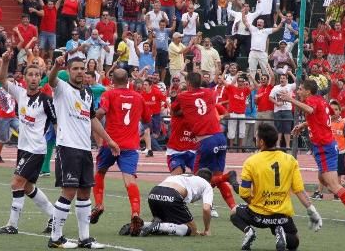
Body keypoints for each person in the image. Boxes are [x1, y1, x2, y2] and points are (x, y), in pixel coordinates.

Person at [47, 56, 119, 249]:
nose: (80, 72)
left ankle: (84, 238)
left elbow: (92, 119)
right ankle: (55, 238)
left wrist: (109, 140)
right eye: (76, 68)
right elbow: (51, 80)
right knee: (69, 191)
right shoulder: (62, 88)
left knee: (85, 193)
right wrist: (56, 65)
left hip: (85, 149)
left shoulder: (87, 93)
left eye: (83, 69)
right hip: (67, 147)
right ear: (69, 71)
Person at [278, 79, 345, 224]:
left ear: (308, 91)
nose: (298, 91)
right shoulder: (322, 101)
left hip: (324, 147)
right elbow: (328, 115)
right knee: (322, 179)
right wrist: (304, 124)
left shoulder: (312, 100)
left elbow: (310, 110)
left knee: (332, 185)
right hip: (326, 146)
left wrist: (290, 99)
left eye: (300, 89)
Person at [231, 123, 323, 251]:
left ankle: (249, 231)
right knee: (294, 242)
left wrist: (254, 203)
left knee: (235, 212)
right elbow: (299, 190)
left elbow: (244, 193)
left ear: (261, 142)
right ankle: (282, 233)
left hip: (258, 215)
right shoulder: (290, 160)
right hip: (281, 216)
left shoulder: (251, 162)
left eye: (256, 137)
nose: (255, 139)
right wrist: (312, 210)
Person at [0, 51, 56, 235]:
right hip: (23, 148)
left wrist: (60, 145)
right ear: (25, 78)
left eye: (37, 75)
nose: (34, 78)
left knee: (16, 183)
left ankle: (12, 225)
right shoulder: (19, 93)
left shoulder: (46, 101)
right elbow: (1, 80)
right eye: (30, 74)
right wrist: (5, 62)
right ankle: (54, 216)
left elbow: (56, 123)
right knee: (28, 186)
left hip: (36, 149)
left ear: (40, 78)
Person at [90, 68, 151, 236]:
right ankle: (136, 213)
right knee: (129, 179)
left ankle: (99, 204)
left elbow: (101, 112)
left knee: (100, 172)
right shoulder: (138, 97)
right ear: (128, 80)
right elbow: (147, 119)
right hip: (130, 146)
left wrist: (89, 116)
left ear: (112, 80)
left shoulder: (109, 95)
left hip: (111, 143)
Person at [171, 72, 238, 216]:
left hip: (206, 140)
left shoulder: (183, 96)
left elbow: (174, 110)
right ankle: (234, 207)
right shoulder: (208, 92)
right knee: (217, 176)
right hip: (220, 137)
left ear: (188, 83)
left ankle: (227, 177)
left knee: (197, 179)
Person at [136, 168, 214, 237]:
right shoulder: (207, 185)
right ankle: (158, 226)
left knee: (168, 223)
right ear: (209, 180)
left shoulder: (184, 176)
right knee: (193, 230)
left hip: (154, 193)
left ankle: (142, 225)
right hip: (171, 194)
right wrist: (206, 230)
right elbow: (206, 209)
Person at [312, 100, 345, 200]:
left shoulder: (343, 123)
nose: (334, 112)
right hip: (327, 151)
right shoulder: (325, 122)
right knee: (323, 171)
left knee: (338, 173)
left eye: (336, 109)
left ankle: (338, 193)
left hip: (340, 152)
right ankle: (318, 192)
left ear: (340, 111)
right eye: (332, 110)